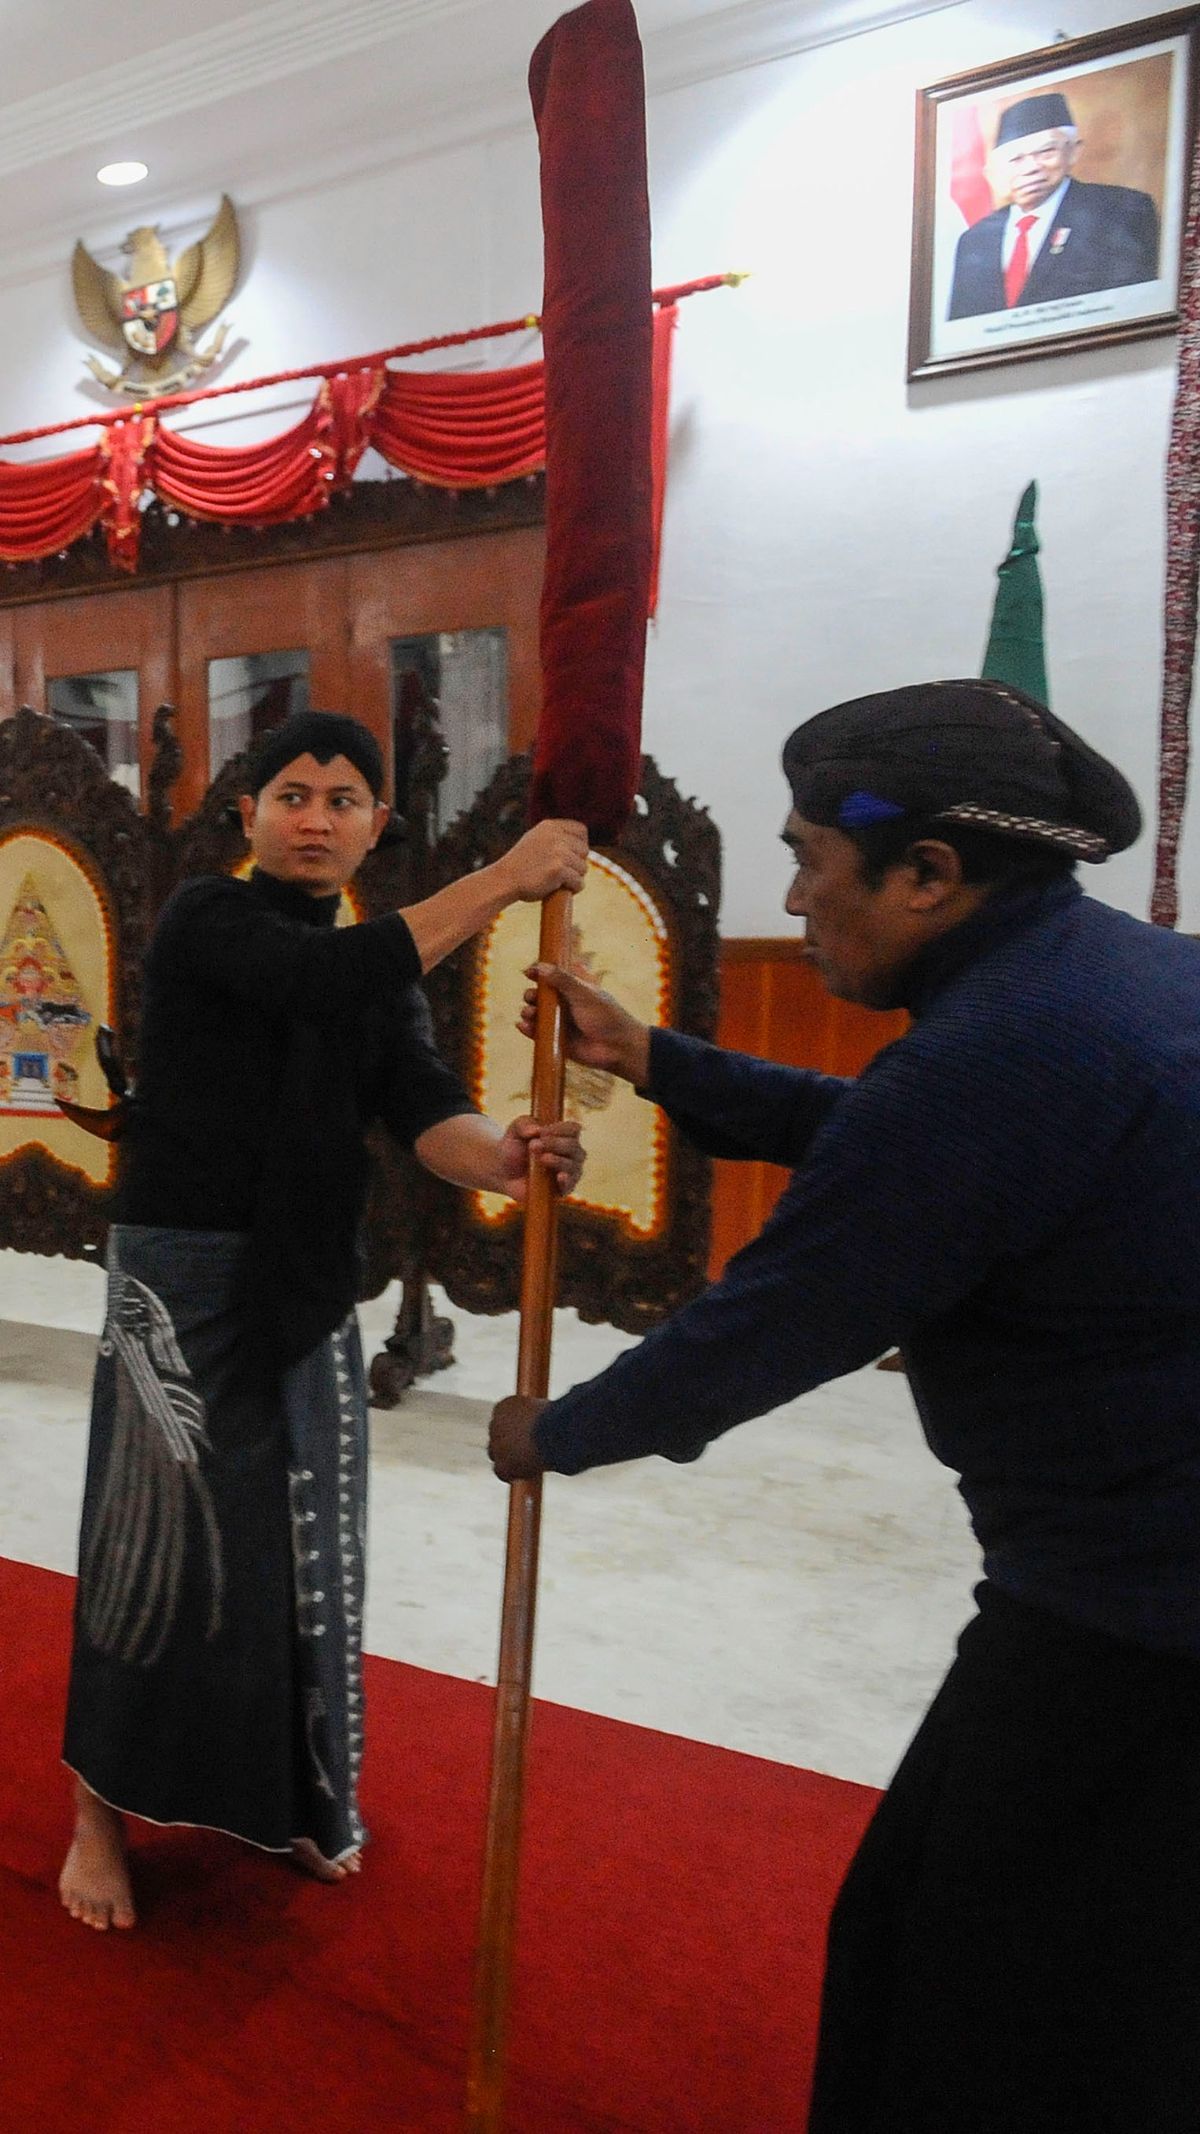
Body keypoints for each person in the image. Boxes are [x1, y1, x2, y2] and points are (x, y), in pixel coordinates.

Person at [489, 678, 1200, 2133]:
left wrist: (546, 1431)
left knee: (973, 1986)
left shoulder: (998, 1054)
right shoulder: (1112, 976)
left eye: (813, 856)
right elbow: (893, 1141)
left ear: (928, 874)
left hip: (1140, 1616)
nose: (798, 895)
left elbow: (762, 1329)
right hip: (1139, 1585)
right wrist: (661, 1056)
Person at [60, 711, 588, 1932]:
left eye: (344, 800)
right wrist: (507, 877)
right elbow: (319, 979)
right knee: (160, 1545)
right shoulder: (213, 919)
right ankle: (100, 1812)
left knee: (301, 1550)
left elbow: (421, 1108)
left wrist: (505, 1160)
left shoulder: (375, 963)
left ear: (374, 826)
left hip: (304, 1280)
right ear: (248, 813)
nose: (315, 817)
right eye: (292, 793)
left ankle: (289, 1798)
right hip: (181, 1284)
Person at [947, 90, 1160, 320]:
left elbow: (1133, 307)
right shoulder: (975, 240)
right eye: (1016, 159)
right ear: (996, 169)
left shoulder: (1122, 211)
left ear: (1073, 151)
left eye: (1046, 152)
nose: (1030, 168)